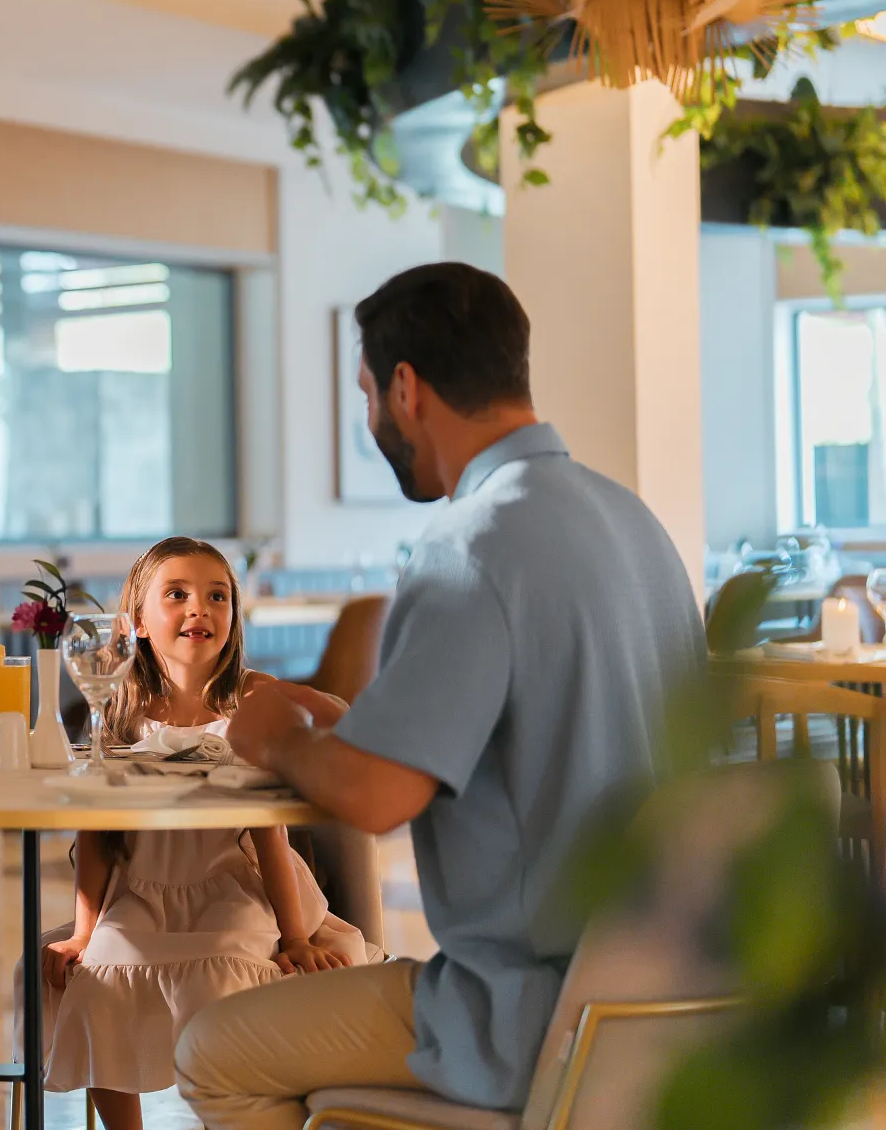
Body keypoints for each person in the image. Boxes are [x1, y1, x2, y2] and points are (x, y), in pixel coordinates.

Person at [176, 262, 705, 1129]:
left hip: (522, 1012)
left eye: (369, 397)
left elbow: (376, 798)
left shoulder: (469, 545)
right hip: (662, 1002)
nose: (372, 421)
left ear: (406, 388)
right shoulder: (636, 524)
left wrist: (271, 731)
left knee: (212, 1051)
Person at [37, 538, 371, 1130]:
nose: (200, 609)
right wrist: (85, 933)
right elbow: (98, 829)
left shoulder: (249, 699)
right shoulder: (115, 706)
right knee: (100, 978)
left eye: (217, 596)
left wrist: (294, 937)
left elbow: (270, 830)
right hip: (143, 885)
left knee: (227, 960)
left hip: (235, 882)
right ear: (137, 622)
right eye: (177, 595)